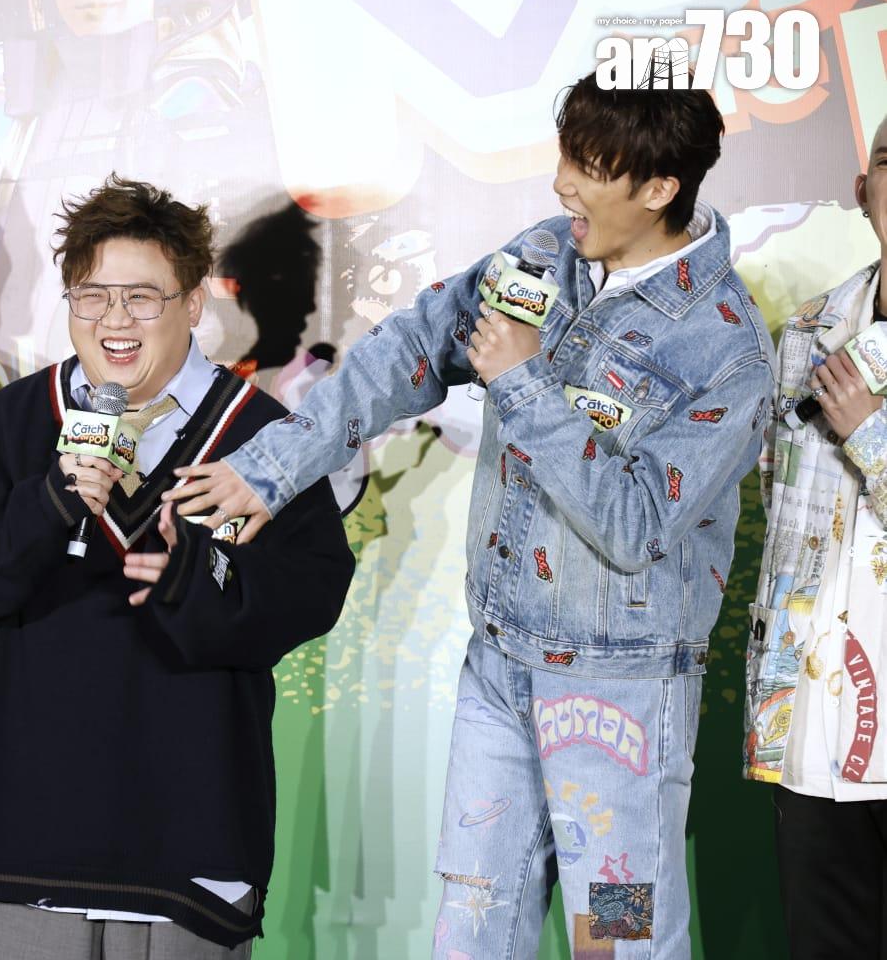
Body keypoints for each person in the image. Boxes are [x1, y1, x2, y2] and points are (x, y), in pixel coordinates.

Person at [169, 74, 777, 955]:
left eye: (590, 167)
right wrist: (272, 469)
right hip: (498, 669)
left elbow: (637, 524)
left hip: (622, 695)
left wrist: (521, 381)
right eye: (566, 157)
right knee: (472, 927)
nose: (562, 184)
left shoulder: (725, 347)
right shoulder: (543, 256)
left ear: (658, 189)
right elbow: (413, 347)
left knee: (620, 939)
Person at [0, 176, 354, 957]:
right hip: (28, 851)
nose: (114, 320)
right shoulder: (14, 422)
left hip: (190, 854)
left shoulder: (265, 437)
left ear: (193, 303)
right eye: (92, 295)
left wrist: (199, 577)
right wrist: (46, 505)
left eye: (143, 297)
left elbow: (311, 593)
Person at [747, 112, 887, 959]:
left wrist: (870, 433)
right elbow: (779, 505)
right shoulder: (807, 331)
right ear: (863, 190)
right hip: (815, 727)